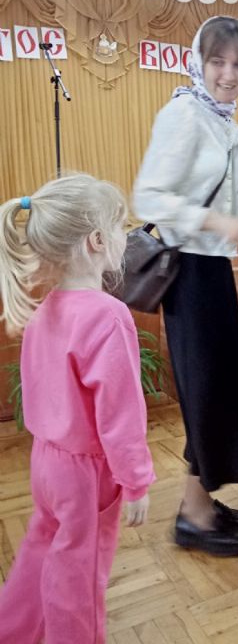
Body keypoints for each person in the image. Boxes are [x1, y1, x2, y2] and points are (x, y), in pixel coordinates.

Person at [133, 15, 238, 557]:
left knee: (216, 388)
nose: (229, 74)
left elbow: (216, 195)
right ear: (198, 61)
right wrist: (219, 222)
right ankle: (192, 516)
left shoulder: (226, 123)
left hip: (213, 269)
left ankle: (199, 501)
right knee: (205, 389)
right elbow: (148, 197)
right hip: (188, 273)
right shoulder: (185, 114)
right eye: (218, 61)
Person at [0, 173, 155, 644]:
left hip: (46, 462)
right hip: (86, 474)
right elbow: (121, 416)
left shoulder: (46, 308)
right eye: (120, 226)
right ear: (96, 241)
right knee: (79, 576)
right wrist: (136, 481)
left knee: (42, 548)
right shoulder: (108, 316)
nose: (126, 235)